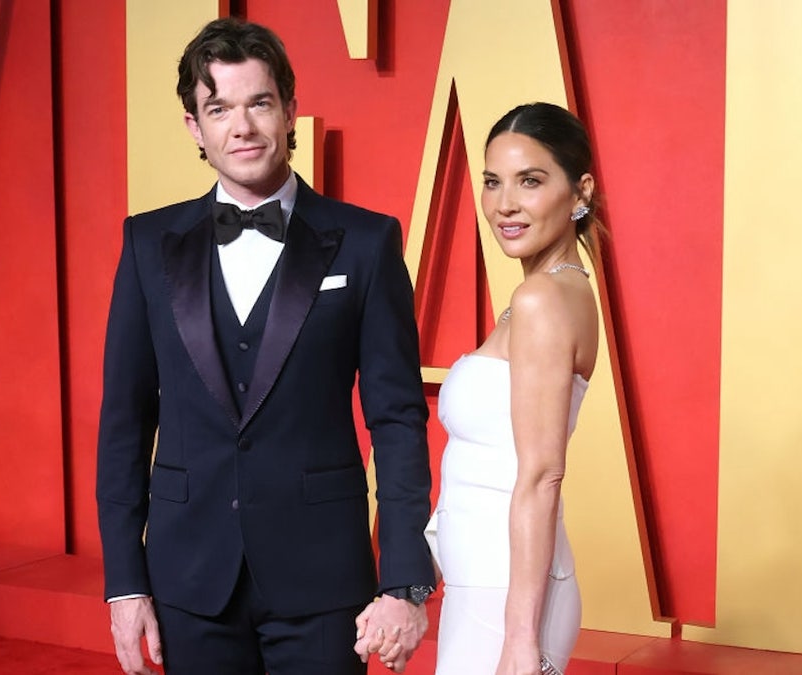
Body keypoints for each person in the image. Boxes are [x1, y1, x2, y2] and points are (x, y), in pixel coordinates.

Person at [95, 17, 435, 675]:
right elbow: (124, 425)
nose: (241, 126)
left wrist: (402, 581)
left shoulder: (365, 243)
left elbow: (397, 419)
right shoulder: (148, 246)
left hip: (325, 581)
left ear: (289, 111)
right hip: (189, 578)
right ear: (195, 126)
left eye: (259, 102)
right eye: (218, 107)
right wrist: (124, 580)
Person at [369, 102, 601, 674]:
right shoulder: (544, 294)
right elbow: (479, 471)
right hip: (485, 583)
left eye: (531, 181)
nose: (505, 205)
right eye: (493, 182)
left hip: (508, 595)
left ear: (580, 192)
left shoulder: (543, 300)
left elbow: (541, 476)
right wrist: (416, 585)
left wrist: (520, 641)